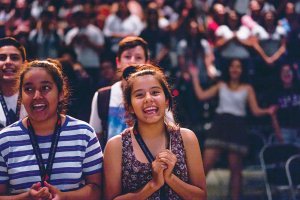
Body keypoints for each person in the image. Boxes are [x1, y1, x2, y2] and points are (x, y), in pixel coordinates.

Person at [0, 59, 102, 199]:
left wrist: (65, 197)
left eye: (45, 88)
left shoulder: (84, 134)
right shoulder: (5, 139)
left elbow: (97, 189)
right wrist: (26, 197)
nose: (37, 96)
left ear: (60, 93)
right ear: (21, 96)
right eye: (28, 89)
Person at [103, 63, 206, 200]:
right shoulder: (116, 146)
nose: (148, 99)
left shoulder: (187, 138)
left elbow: (202, 196)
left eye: (155, 92)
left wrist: (170, 178)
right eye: (139, 95)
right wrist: (153, 184)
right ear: (130, 107)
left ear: (167, 100)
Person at [189, 58, 275, 200]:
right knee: (206, 164)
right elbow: (201, 96)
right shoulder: (221, 85)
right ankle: (192, 196)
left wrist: (268, 111)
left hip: (237, 126)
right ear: (228, 69)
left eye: (238, 66)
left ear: (242, 70)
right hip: (220, 124)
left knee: (235, 169)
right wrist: (194, 77)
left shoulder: (248, 88)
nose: (235, 69)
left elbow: (255, 110)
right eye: (232, 66)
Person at [89, 36, 149, 147]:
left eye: (138, 57)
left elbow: (169, 132)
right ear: (118, 62)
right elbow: (96, 138)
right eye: (127, 57)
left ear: (146, 63)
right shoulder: (102, 96)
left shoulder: (155, 97)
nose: (132, 62)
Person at [269, 62, 300, 145]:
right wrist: (279, 134)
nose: (286, 73)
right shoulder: (275, 92)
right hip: (283, 131)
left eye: (289, 71)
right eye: (283, 71)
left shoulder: (298, 89)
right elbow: (273, 115)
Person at [0, 37, 27, 129]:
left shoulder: (34, 96)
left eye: (14, 58)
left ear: (25, 64)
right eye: (2, 58)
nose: (8, 62)